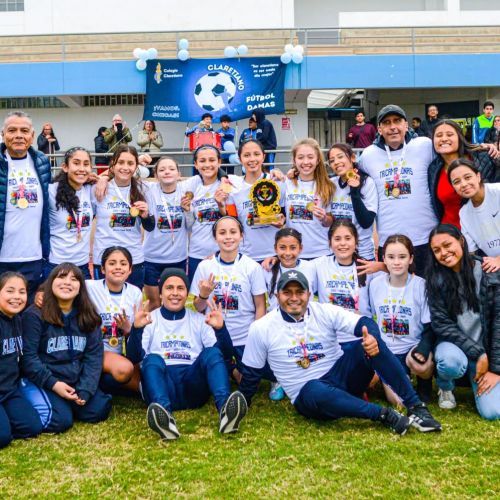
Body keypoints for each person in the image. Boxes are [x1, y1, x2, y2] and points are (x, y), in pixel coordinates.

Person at [239, 270, 442, 433]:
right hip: (309, 394)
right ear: (277, 296)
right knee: (313, 390)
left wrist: (372, 338)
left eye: (299, 292)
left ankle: (417, 408)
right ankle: (382, 415)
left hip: (341, 376)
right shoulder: (261, 327)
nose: (294, 298)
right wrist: (241, 403)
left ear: (309, 294)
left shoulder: (323, 311)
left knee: (369, 344)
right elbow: (251, 372)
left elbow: (364, 322)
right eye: (287, 292)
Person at [127, 268, 247, 440]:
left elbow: (225, 356)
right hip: (163, 383)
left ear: (187, 293)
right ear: (160, 293)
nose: (175, 293)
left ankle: (226, 412)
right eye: (169, 288)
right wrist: (136, 330)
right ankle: (165, 419)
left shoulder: (199, 319)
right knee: (152, 359)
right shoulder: (149, 319)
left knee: (212, 352)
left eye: (180, 288)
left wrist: (220, 329)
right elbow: (134, 358)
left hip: (193, 386)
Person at [20, 263, 112, 433]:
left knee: (99, 409)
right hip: (46, 380)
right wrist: (54, 384)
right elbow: (28, 358)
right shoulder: (34, 315)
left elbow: (94, 356)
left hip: (74, 379)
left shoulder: (88, 315)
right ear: (50, 283)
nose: (67, 282)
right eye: (61, 277)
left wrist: (85, 389)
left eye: (74, 279)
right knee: (61, 421)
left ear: (80, 288)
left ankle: (68, 404)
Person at [427, 224, 500, 419]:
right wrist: (478, 353)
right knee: (449, 362)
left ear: (461, 240)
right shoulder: (436, 279)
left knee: (493, 412)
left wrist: (495, 370)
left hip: (486, 355)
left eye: (447, 245)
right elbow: (442, 324)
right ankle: (445, 387)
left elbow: (498, 323)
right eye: (437, 250)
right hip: (457, 349)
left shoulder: (488, 272)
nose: (444, 253)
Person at [358, 104, 437, 277]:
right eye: (386, 122)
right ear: (379, 129)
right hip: (389, 241)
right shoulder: (368, 155)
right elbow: (349, 175)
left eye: (397, 121)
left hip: (425, 238)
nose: (392, 126)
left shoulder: (424, 145)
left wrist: (487, 148)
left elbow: (453, 152)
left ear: (406, 125)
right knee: (396, 294)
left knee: (428, 295)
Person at [191, 216, 267, 378]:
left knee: (246, 379)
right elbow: (198, 307)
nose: (228, 237)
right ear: (215, 237)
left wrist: (256, 337)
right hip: (213, 334)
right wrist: (203, 295)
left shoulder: (252, 267)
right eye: (222, 233)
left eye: (233, 232)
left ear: (241, 235)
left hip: (244, 336)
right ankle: (229, 367)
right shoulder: (205, 266)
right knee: (209, 377)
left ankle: (234, 368)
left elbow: (260, 306)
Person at [367, 235, 435, 403]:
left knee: (421, 365)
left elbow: (429, 326)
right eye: (391, 257)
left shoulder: (421, 285)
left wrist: (423, 350)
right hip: (387, 350)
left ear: (411, 258)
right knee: (398, 402)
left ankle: (424, 385)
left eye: (402, 257)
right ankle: (394, 378)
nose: (396, 262)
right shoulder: (375, 284)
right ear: (383, 259)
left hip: (413, 348)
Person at [0, 111, 51, 303]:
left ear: (32, 135)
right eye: (12, 130)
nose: (19, 135)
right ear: (3, 134)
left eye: (24, 130)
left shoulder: (42, 162)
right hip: (3, 258)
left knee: (30, 314)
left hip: (33, 257)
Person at [92, 145, 154, 289]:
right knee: (102, 306)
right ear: (112, 165)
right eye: (121, 162)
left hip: (133, 260)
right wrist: (102, 178)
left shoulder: (144, 188)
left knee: (132, 306)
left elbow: (150, 227)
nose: (125, 167)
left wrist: (145, 215)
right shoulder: (99, 188)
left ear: (136, 166)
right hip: (104, 259)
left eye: (131, 163)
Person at [86, 247, 142, 394]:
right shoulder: (90, 287)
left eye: (123, 264)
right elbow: (63, 283)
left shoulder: (135, 292)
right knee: (125, 370)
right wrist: (41, 292)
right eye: (112, 263)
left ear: (130, 270)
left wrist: (129, 328)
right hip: (93, 352)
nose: (118, 267)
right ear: (103, 269)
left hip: (118, 353)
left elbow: (136, 336)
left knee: (143, 372)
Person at [310, 220, 370, 349]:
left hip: (360, 338)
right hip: (330, 340)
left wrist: (382, 266)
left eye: (348, 238)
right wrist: (276, 258)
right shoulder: (319, 265)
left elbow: (397, 269)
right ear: (330, 243)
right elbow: (293, 264)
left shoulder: (368, 267)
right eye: (337, 239)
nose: (343, 243)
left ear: (356, 241)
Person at [143, 157, 193, 309]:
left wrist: (187, 211)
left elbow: (190, 226)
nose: (167, 172)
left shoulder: (186, 193)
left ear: (179, 173)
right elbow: (128, 173)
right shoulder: (149, 190)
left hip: (177, 258)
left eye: (171, 169)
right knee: (155, 303)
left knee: (175, 303)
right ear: (156, 175)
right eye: (162, 169)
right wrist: (140, 161)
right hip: (151, 258)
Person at [0, 272, 43, 448]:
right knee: (3, 438)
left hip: (9, 391)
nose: (16, 297)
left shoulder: (18, 319)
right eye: (10, 291)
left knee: (32, 427)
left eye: (22, 292)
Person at [428, 119, 497, 227]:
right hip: (451, 233)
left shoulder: (482, 157)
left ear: (459, 137)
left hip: (485, 230)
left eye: (450, 134)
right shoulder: (433, 168)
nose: (444, 139)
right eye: (439, 135)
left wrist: (492, 148)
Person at [182, 145, 236, 282]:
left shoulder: (228, 185)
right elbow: (189, 226)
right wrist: (187, 211)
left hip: (223, 252)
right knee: (198, 298)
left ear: (219, 162)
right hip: (197, 252)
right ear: (195, 164)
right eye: (202, 161)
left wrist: (220, 206)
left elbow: (234, 222)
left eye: (212, 160)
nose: (207, 165)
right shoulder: (192, 186)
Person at [225, 139, 285, 262]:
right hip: (246, 257)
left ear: (263, 157)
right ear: (240, 158)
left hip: (275, 255)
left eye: (256, 154)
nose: (252, 159)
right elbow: (233, 223)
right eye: (246, 155)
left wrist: (280, 222)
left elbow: (284, 217)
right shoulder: (234, 188)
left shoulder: (276, 182)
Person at [46, 147, 94, 280]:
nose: (82, 168)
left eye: (86, 164)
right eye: (76, 163)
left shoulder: (90, 190)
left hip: (82, 266)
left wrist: (102, 179)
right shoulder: (51, 191)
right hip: (55, 265)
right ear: (65, 167)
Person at [285, 138, 335, 259]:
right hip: (294, 254)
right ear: (294, 160)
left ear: (318, 160)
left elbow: (331, 221)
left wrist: (324, 218)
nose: (306, 162)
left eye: (310, 157)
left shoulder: (328, 186)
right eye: (301, 157)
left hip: (321, 253)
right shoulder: (286, 183)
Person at [448, 159, 500, 273]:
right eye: (456, 182)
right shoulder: (464, 213)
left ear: (478, 176)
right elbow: (471, 253)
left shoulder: (498, 191)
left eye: (468, 177)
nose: (464, 184)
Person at [327, 143, 378, 260]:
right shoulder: (331, 183)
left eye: (340, 157)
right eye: (332, 160)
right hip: (338, 252)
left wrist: (354, 192)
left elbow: (366, 222)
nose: (336, 162)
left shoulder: (367, 182)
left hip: (362, 253)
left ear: (353, 158)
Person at [264, 228, 314, 312]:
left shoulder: (312, 267)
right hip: (276, 321)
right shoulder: (267, 269)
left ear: (300, 248)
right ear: (275, 248)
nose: (287, 253)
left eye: (293, 248)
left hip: (305, 321)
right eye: (282, 247)